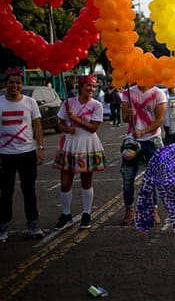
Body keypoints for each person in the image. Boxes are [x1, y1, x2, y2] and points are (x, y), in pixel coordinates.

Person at [53, 75, 107, 230]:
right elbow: (61, 124)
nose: (91, 89)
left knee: (86, 181)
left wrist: (76, 120)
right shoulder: (68, 103)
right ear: (80, 87)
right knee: (65, 183)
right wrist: (67, 128)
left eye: (94, 86)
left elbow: (93, 127)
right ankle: (65, 214)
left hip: (88, 144)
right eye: (88, 86)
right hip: (70, 144)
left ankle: (86, 214)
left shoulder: (97, 105)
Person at [0, 67, 45, 242]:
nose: (14, 85)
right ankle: (3, 227)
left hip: (27, 153)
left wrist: (40, 148)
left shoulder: (30, 102)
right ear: (6, 84)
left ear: (22, 84)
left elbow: (38, 126)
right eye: (11, 82)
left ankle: (33, 225)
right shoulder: (0, 102)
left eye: (18, 82)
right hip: (5, 154)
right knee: (5, 193)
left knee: (29, 191)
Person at [120, 82, 167, 226]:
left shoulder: (158, 93)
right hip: (131, 141)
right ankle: (129, 210)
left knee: (153, 178)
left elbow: (159, 120)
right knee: (128, 178)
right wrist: (129, 114)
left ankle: (153, 209)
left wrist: (143, 132)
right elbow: (124, 119)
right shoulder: (128, 92)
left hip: (152, 140)